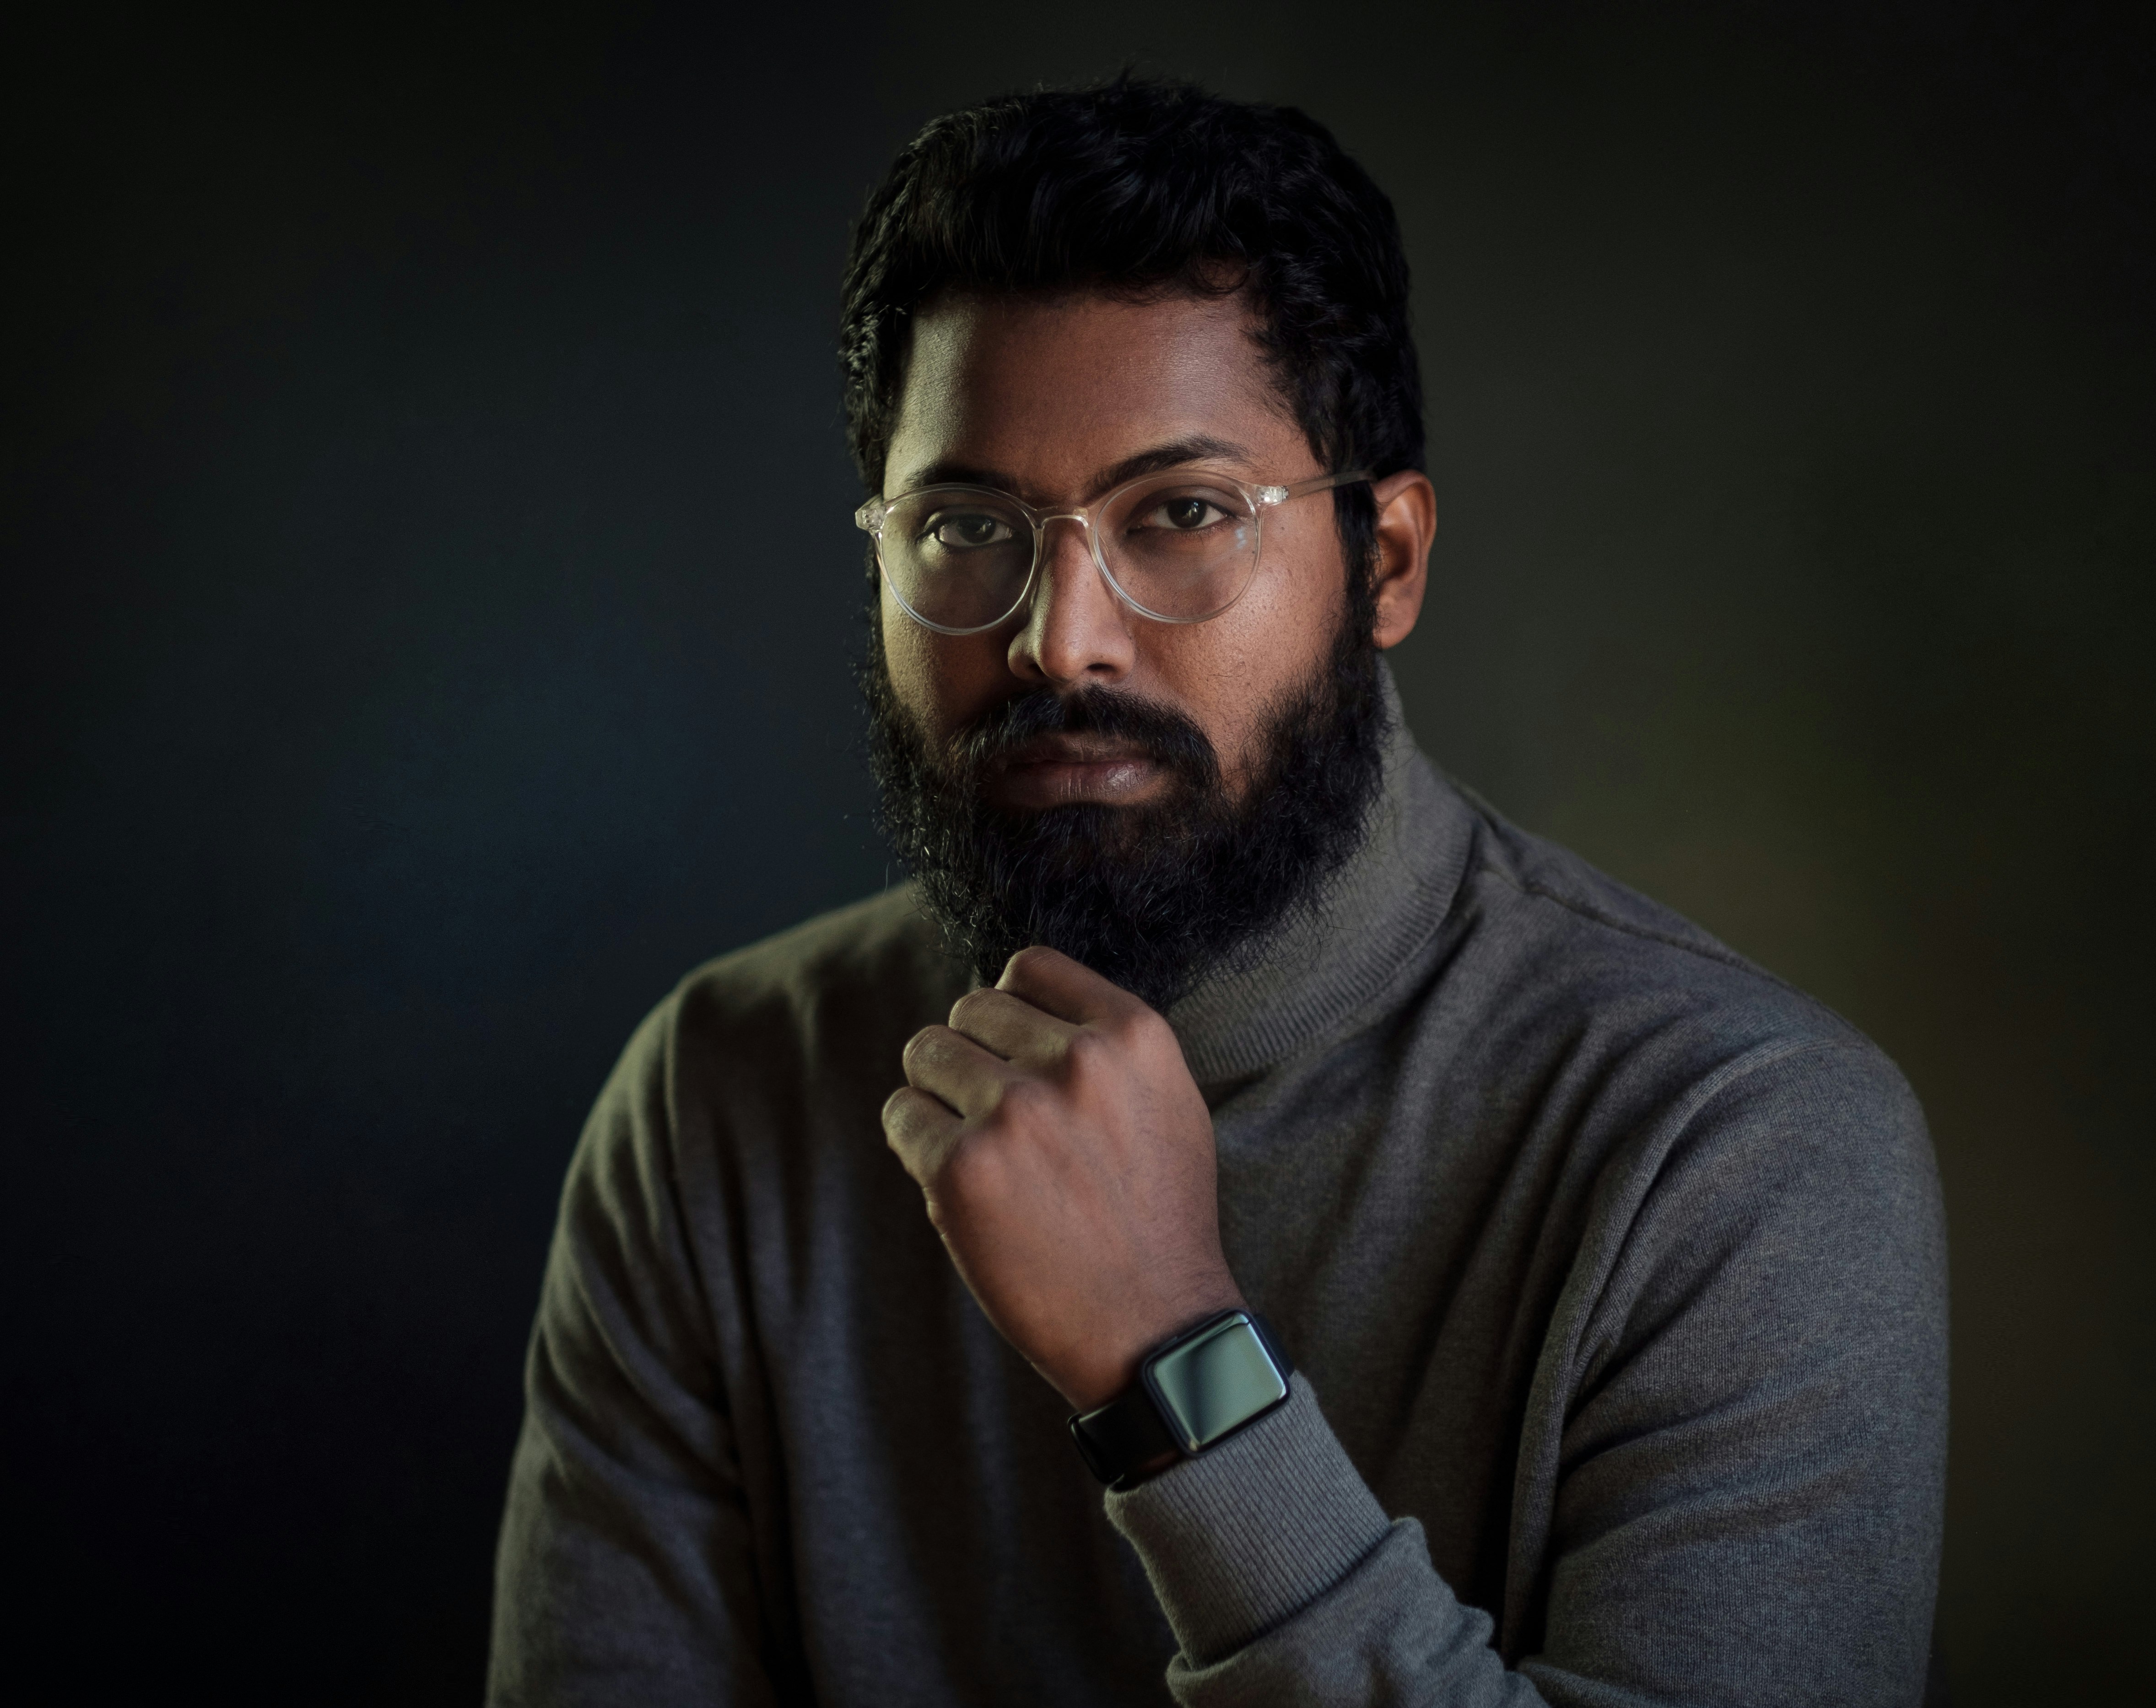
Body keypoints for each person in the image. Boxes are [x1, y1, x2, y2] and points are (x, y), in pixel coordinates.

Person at [487, 77, 1947, 1708]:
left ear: (1385, 563)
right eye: (966, 524)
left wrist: (1175, 1361)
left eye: (1180, 515)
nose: (1059, 638)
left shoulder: (1740, 1146)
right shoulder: (718, 1101)